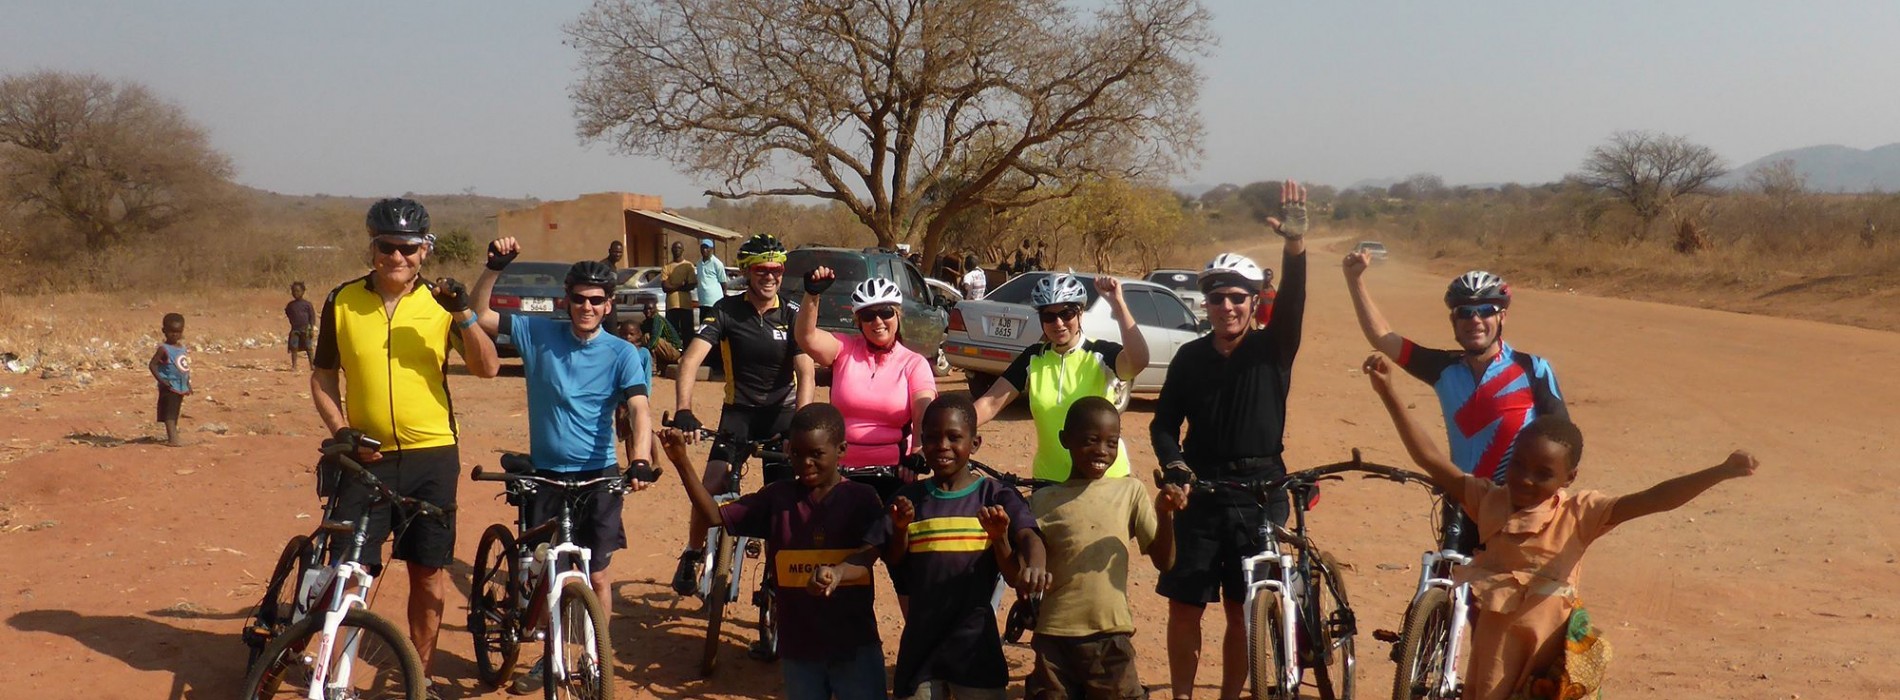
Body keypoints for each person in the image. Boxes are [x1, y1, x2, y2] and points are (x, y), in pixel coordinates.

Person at [1365, 353, 1757, 700]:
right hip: (1495, 651)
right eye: (1518, 465)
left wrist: (1719, 472)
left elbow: (1654, 499)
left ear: (1569, 478)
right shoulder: (1489, 499)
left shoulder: (1581, 513)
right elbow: (1431, 459)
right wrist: (1389, 394)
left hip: (1550, 650)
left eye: (1543, 474)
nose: (1525, 480)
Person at [310, 197, 500, 690]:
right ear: (372, 247)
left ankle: (421, 678)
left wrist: (463, 314)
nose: (398, 258)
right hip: (366, 455)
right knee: (350, 571)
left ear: (425, 250)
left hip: (432, 456)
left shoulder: (440, 303)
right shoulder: (342, 300)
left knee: (428, 571)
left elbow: (488, 367)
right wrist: (340, 432)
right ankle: (338, 679)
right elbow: (324, 376)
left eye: (409, 248)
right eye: (387, 247)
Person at [470, 240, 657, 692]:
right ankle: (546, 652)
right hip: (546, 474)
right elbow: (480, 315)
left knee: (598, 573)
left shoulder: (622, 353)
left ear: (609, 304)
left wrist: (641, 459)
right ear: (565, 300)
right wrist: (492, 270)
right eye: (579, 299)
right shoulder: (537, 333)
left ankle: (593, 656)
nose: (587, 307)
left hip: (599, 474)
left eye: (597, 300)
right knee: (546, 568)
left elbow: (638, 409)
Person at [1149, 179, 1307, 700]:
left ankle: (1231, 695)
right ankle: (1182, 696)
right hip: (1202, 491)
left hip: (1261, 490)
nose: (1227, 308)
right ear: (1207, 302)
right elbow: (1163, 423)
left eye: (1238, 298)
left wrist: (1295, 248)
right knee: (1184, 605)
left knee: (1243, 607)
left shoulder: (1273, 349)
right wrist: (1174, 466)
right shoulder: (1190, 357)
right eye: (1217, 298)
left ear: (1255, 301)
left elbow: (1295, 305)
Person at [659, 404, 888, 700]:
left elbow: (871, 555)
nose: (805, 462)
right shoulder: (777, 499)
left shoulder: (861, 500)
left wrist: (839, 573)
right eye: (796, 453)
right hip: (799, 651)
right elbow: (715, 517)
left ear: (841, 450)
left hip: (855, 646)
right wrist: (682, 463)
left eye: (816, 454)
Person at [1343, 258, 1566, 554]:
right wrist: (1354, 279)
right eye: (1464, 312)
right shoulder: (1443, 368)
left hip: (1518, 504)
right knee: (1449, 582)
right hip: (1461, 499)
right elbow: (1382, 338)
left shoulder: (1533, 369)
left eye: (1486, 310)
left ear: (1502, 318)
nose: (1474, 320)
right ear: (1453, 322)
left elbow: (1563, 441)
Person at [829, 394, 1043, 700]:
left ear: (976, 443)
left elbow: (1029, 538)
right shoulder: (908, 499)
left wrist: (1035, 565)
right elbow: (878, 554)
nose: (941, 445)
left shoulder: (994, 496)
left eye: (954, 437)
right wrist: (837, 573)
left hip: (975, 648)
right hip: (921, 648)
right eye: (931, 438)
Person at [669, 233, 817, 599]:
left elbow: (808, 373)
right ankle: (691, 552)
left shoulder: (792, 313)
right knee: (712, 484)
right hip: (738, 414)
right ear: (748, 272)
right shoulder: (726, 310)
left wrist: (801, 424)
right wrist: (684, 409)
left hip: (782, 415)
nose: (770, 277)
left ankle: (776, 576)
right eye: (761, 270)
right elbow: (689, 361)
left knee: (785, 497)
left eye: (776, 270)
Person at [1027, 396, 1185, 700]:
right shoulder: (1042, 501)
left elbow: (1165, 561)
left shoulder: (1130, 491)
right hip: (1054, 640)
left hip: (1111, 637)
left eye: (1112, 443)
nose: (1102, 451)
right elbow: (1024, 567)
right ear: (1065, 440)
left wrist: (1164, 514)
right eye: (1090, 440)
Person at [973, 273, 1149, 481]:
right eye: (1048, 316)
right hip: (1050, 482)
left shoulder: (1100, 354)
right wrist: (946, 430)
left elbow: (1138, 361)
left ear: (1080, 313)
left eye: (1067, 314)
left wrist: (1118, 305)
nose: (1058, 323)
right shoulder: (1034, 358)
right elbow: (990, 403)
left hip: (1105, 479)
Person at [795, 269, 937, 499]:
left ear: (898, 315)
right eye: (868, 315)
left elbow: (924, 411)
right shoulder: (844, 349)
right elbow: (806, 337)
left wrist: (918, 453)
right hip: (838, 469)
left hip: (892, 472)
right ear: (859, 322)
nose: (878, 321)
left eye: (885, 312)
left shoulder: (914, 363)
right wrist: (812, 295)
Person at [148, 312, 190, 447]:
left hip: (180, 386)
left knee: (175, 412)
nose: (175, 335)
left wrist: (188, 384)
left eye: (178, 332)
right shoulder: (163, 349)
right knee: (169, 414)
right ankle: (173, 439)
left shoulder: (182, 348)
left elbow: (183, 367)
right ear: (164, 331)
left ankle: (173, 436)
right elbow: (152, 365)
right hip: (169, 386)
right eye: (171, 331)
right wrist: (162, 380)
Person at [662, 240, 699, 338]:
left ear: (683, 250)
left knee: (687, 333)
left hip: (685, 305)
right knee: (672, 333)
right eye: (674, 248)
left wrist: (672, 286)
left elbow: (691, 285)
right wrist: (681, 285)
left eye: (679, 248)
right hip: (671, 305)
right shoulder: (667, 267)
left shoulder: (688, 266)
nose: (676, 250)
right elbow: (665, 287)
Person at [285, 282, 316, 371]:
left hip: (306, 329)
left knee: (309, 347)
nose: (296, 293)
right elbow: (288, 313)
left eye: (298, 291)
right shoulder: (290, 305)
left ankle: (312, 365)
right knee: (294, 347)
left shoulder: (307, 304)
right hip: (295, 329)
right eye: (294, 291)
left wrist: (311, 328)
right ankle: (294, 366)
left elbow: (312, 316)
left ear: (303, 292)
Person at [696, 238, 727, 323]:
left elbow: (723, 283)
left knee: (714, 325)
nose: (704, 250)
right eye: (702, 247)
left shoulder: (717, 263)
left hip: (714, 302)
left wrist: (722, 300)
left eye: (706, 248)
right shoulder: (699, 263)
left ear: (711, 249)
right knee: (703, 325)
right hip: (703, 302)